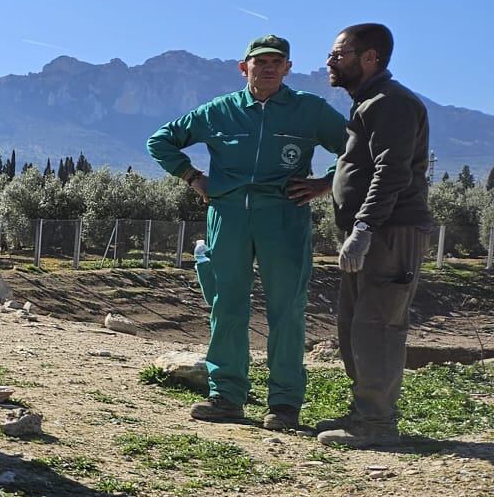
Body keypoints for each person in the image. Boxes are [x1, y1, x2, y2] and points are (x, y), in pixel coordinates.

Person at [147, 36, 348, 429]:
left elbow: (357, 150)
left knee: (287, 310)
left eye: (276, 61)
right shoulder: (219, 111)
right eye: (260, 62)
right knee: (227, 306)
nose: (268, 68)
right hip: (228, 217)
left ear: (288, 68)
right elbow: (161, 141)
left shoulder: (310, 110)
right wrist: (191, 176)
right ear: (244, 68)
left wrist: (325, 184)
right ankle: (225, 396)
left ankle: (285, 404)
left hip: (284, 217)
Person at [315, 23, 432, 448]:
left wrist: (364, 227)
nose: (330, 61)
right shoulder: (368, 102)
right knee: (353, 325)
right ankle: (364, 413)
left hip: (389, 232)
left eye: (338, 53)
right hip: (370, 232)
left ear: (370, 58)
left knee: (378, 326)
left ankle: (378, 423)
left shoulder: (391, 103)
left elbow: (392, 171)